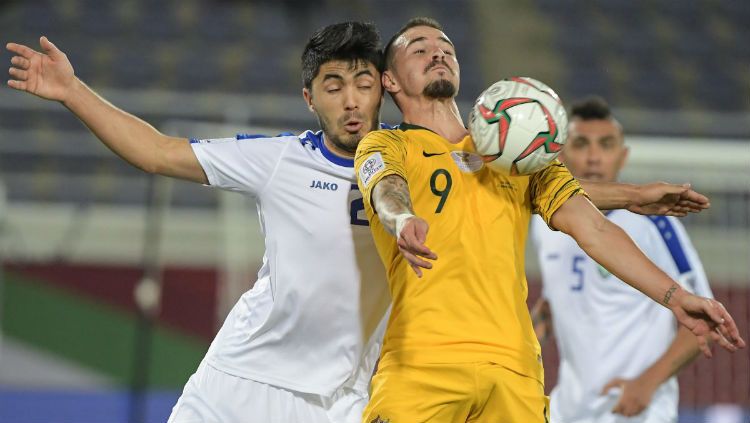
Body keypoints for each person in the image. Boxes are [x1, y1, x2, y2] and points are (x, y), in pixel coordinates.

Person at [5, 21, 723, 423]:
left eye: (360, 81)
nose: (350, 99)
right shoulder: (306, 157)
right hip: (251, 378)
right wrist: (73, 93)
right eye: (332, 85)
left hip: (355, 393)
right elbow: (161, 152)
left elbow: (557, 204)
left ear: (381, 88)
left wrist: (634, 214)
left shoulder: (492, 153)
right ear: (312, 97)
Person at [353, 17, 744, 423]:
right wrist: (400, 219)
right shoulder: (385, 144)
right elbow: (386, 188)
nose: (438, 52)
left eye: (447, 49)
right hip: (421, 365)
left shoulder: (520, 155)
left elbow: (594, 228)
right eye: (419, 48)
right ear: (390, 80)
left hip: (514, 370)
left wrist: (676, 297)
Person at [531, 97, 713, 423]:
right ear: (560, 153)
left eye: (606, 144)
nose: (593, 156)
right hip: (568, 412)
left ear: (623, 155)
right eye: (581, 143)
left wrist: (647, 384)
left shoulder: (656, 225)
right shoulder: (544, 223)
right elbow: (566, 296)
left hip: (638, 412)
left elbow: (703, 319)